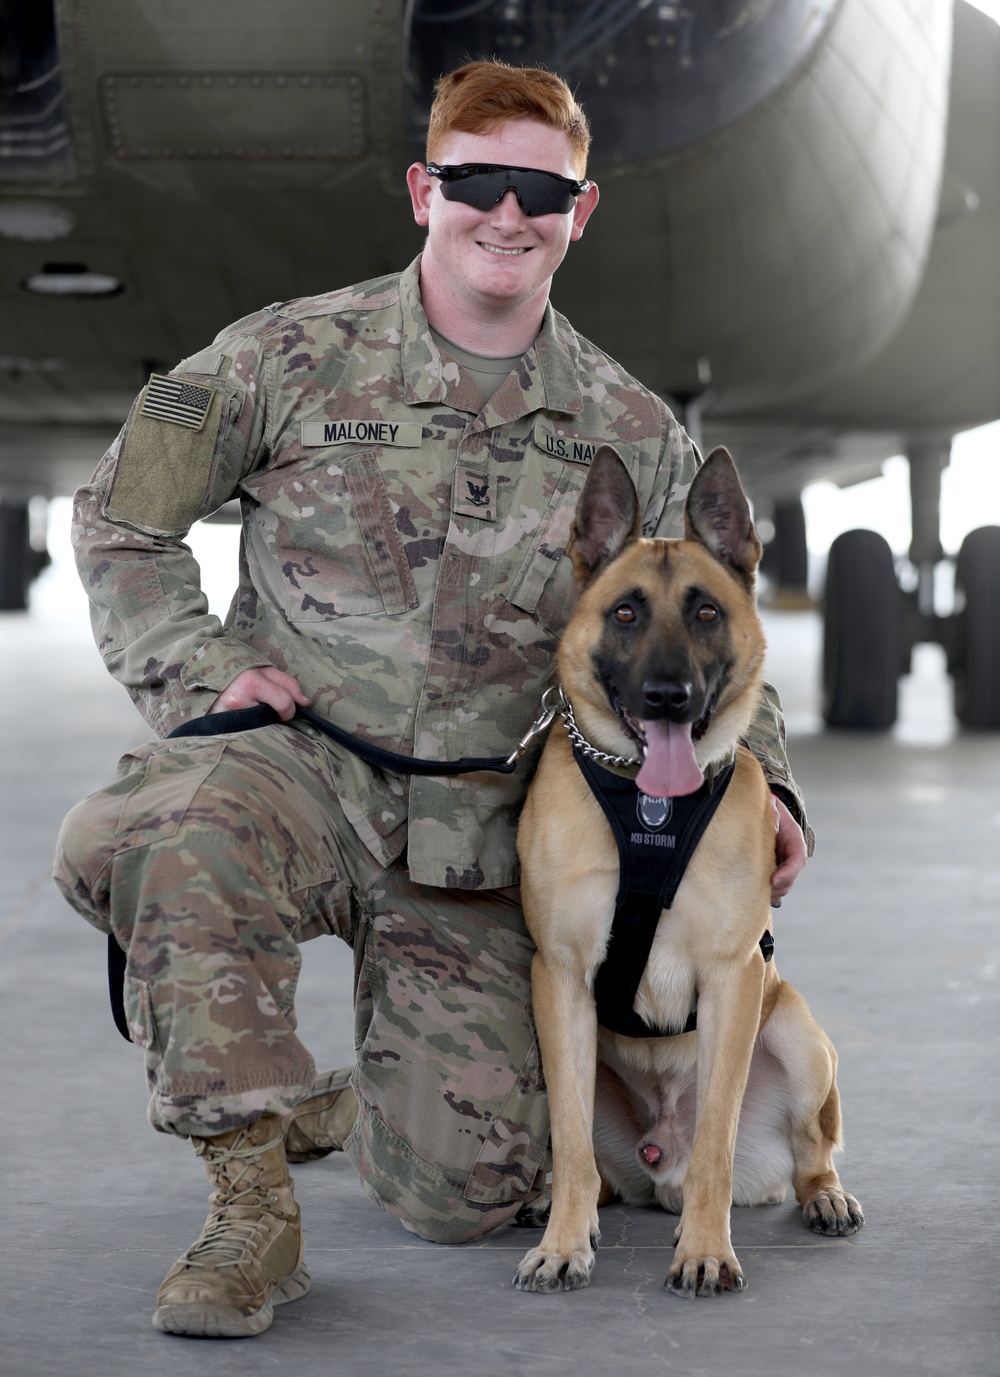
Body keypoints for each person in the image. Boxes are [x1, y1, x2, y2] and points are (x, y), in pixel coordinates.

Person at [54, 59, 811, 1340]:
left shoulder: (631, 429)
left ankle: (328, 1101)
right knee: (180, 840)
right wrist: (197, 679)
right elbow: (120, 519)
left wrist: (771, 784)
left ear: (581, 211)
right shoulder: (285, 355)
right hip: (301, 775)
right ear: (423, 191)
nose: (506, 215)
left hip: (474, 847)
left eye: (539, 190)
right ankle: (249, 1207)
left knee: (470, 1192)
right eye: (477, 183)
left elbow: (710, 622)